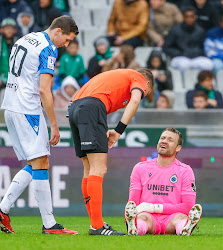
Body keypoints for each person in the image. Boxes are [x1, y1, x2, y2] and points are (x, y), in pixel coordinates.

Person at [0, 15, 79, 235]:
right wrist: (54, 123)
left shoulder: (25, 39)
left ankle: (4, 208)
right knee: (41, 161)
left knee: (37, 160)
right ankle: (49, 224)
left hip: (10, 106)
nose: (67, 44)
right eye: (67, 39)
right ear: (58, 31)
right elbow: (44, 89)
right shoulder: (49, 49)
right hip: (28, 109)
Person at [68, 68, 154, 236]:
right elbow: (135, 101)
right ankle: (97, 226)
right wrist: (119, 130)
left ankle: (96, 223)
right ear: (147, 83)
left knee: (89, 168)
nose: (143, 93)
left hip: (74, 108)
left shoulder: (117, 77)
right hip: (92, 107)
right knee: (99, 169)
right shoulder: (139, 78)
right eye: (146, 92)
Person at [124, 127, 202, 236]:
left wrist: (154, 208)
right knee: (142, 218)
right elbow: (132, 205)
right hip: (148, 216)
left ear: (178, 148)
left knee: (180, 218)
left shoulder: (185, 171)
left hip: (172, 217)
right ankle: (135, 228)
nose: (164, 141)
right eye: (162, 138)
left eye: (170, 140)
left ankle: (185, 229)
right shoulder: (140, 168)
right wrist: (130, 218)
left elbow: (188, 207)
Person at [163, 6, 213, 73]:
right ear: (183, 17)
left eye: (192, 16)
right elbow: (166, 47)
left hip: (196, 57)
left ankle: (201, 82)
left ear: (195, 17)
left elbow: (203, 47)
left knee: (208, 64)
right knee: (184, 64)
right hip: (180, 57)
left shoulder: (200, 31)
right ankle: (184, 83)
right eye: (187, 16)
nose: (189, 19)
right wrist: (180, 53)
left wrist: (196, 52)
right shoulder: (175, 30)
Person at [0, 18, 19, 94]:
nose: (9, 31)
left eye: (11, 28)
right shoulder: (0, 42)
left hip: (15, 80)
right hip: (1, 78)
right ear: (2, 30)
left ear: (15, 30)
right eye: (7, 28)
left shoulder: (19, 43)